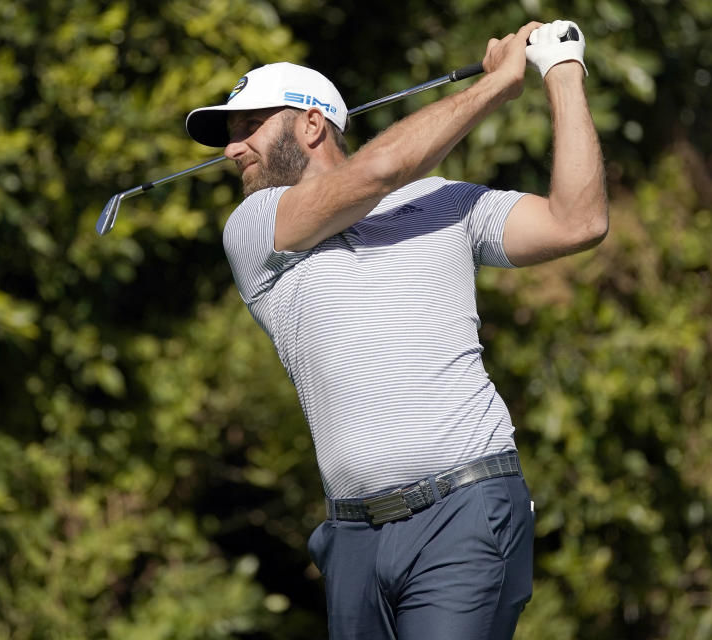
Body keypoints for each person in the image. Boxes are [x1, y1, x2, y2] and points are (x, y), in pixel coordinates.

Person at [185, 19, 607, 640]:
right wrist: (497, 85)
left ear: (310, 123)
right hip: (351, 540)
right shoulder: (254, 229)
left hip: (465, 512)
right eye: (230, 134)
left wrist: (561, 71)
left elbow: (578, 222)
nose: (231, 148)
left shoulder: (446, 204)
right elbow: (377, 172)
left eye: (249, 126)